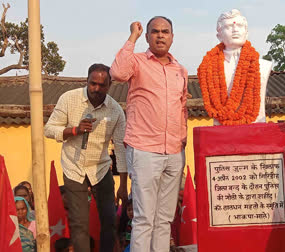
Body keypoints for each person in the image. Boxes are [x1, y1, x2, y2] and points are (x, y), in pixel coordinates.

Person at [110, 16, 188, 252]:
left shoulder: (180, 70)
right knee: (144, 219)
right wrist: (132, 36)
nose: (161, 35)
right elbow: (117, 73)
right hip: (144, 149)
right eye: (155, 31)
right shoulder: (137, 62)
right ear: (147, 37)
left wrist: (182, 141)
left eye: (166, 31)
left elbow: (182, 108)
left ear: (172, 37)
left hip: (174, 152)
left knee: (164, 219)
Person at [44, 63, 127, 252]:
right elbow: (48, 129)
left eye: (101, 85)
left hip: (101, 168)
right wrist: (75, 130)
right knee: (79, 225)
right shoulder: (68, 99)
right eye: (92, 84)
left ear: (109, 85)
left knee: (109, 221)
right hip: (74, 168)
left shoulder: (116, 111)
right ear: (86, 81)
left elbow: (121, 148)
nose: (96, 89)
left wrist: (123, 183)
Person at [197, 9, 272, 125]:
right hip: (221, 133)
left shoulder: (262, 65)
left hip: (255, 129)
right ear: (219, 35)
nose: (235, 29)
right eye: (228, 27)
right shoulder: (207, 68)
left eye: (240, 26)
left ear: (246, 33)